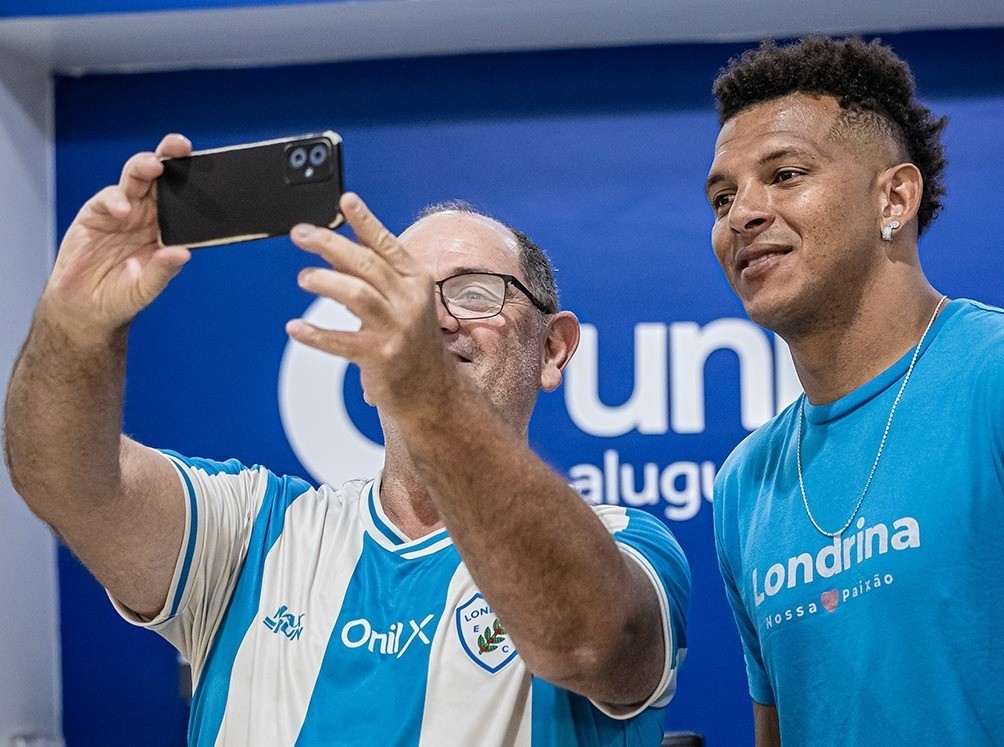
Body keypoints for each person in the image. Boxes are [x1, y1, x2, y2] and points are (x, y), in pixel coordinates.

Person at [3, 134, 689, 745]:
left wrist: (430, 398)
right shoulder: (252, 532)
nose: (434, 320)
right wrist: (74, 323)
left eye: (475, 292)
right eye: (403, 296)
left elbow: (592, 640)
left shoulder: (629, 545)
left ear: (553, 348)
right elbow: (66, 479)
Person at [705, 36, 1004, 746]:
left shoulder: (991, 377)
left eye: (784, 174)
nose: (741, 214)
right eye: (722, 196)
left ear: (894, 197)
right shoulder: (744, 484)